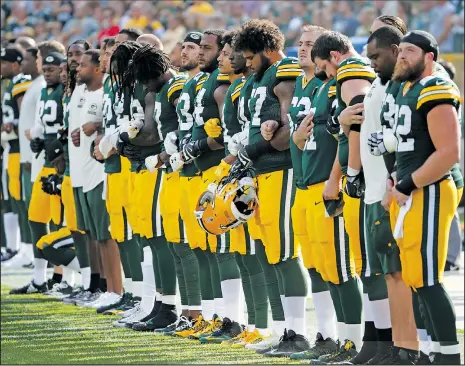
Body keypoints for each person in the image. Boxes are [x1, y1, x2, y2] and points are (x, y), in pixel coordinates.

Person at [233, 19, 311, 356]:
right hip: (260, 173)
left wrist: (262, 142)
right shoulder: (258, 77)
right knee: (269, 252)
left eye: (251, 56)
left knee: (285, 253)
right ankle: (283, 330)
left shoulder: (285, 71)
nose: (247, 63)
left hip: (282, 171)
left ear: (267, 49)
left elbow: (286, 132)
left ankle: (298, 332)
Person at [388, 30, 461, 365]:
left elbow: (448, 153)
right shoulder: (404, 89)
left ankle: (449, 356)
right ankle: (431, 352)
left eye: (411, 50)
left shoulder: (436, 87)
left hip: (428, 190)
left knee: (428, 279)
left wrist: (406, 184)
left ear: (429, 56)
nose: (402, 55)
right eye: (400, 49)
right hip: (408, 191)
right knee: (415, 280)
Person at [288, 25, 340, 361]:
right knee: (315, 266)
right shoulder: (299, 82)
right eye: (302, 43)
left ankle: (345, 337)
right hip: (302, 180)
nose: (304, 49)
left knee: (336, 266)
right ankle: (325, 333)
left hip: (325, 181)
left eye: (311, 45)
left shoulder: (332, 83)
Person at [10, 51, 65, 294]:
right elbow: (41, 123)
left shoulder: (66, 90)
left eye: (53, 69)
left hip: (62, 163)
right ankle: (40, 278)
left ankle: (66, 278)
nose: (48, 73)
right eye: (46, 69)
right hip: (45, 161)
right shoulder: (44, 90)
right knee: (36, 218)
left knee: (60, 221)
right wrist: (38, 137)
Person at [74, 48, 123, 310]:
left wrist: (99, 131)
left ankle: (121, 290)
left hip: (107, 170)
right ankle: (110, 288)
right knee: (100, 234)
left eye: (109, 54)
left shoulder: (113, 88)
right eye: (104, 53)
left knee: (112, 234)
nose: (106, 58)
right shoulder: (107, 88)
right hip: (95, 167)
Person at [1, 47, 31, 267]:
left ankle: (26, 249)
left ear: (15, 64)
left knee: (21, 199)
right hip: (11, 148)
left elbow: (24, 116)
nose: (1, 67)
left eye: (4, 62)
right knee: (14, 198)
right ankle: (17, 248)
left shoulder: (21, 82)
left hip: (20, 148)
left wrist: (14, 125)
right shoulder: (10, 83)